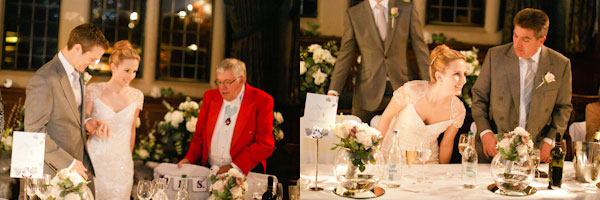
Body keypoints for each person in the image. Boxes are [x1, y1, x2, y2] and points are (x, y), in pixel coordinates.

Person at [472, 8, 572, 163]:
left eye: (525, 39)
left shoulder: (561, 64)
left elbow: (563, 107)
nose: (517, 44)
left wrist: (550, 140)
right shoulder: (495, 56)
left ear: (541, 41)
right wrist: (485, 132)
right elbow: (479, 99)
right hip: (495, 146)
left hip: (537, 152)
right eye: (515, 35)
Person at [24, 23, 110, 192]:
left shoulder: (78, 73)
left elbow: (71, 110)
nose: (93, 65)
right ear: (77, 48)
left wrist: (87, 121)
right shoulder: (44, 78)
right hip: (55, 173)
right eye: (92, 58)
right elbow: (34, 131)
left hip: (79, 167)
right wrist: (68, 163)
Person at [328, 0, 430, 123]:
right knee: (360, 139)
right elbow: (345, 54)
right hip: (367, 92)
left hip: (402, 88)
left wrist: (430, 85)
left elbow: (420, 50)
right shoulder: (354, 13)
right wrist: (333, 91)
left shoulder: (407, 9)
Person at [178, 58, 274, 175]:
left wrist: (234, 167)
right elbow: (199, 137)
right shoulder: (210, 97)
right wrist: (189, 159)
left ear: (241, 80)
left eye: (227, 82)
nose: (222, 87)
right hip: (210, 170)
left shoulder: (261, 100)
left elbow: (265, 144)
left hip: (245, 172)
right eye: (219, 82)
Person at [377, 45, 466, 164]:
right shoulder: (411, 91)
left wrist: (443, 173)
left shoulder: (458, 110)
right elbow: (386, 118)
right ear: (439, 76)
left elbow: (446, 144)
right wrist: (375, 155)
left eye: (464, 74)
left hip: (428, 161)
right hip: (393, 157)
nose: (464, 80)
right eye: (457, 74)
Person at [85, 40, 143, 199]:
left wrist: (127, 159)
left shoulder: (137, 96)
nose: (131, 76)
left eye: (134, 71)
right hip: (95, 160)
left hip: (122, 164)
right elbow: (83, 122)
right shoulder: (93, 90)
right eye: (127, 70)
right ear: (113, 67)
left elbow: (132, 131)